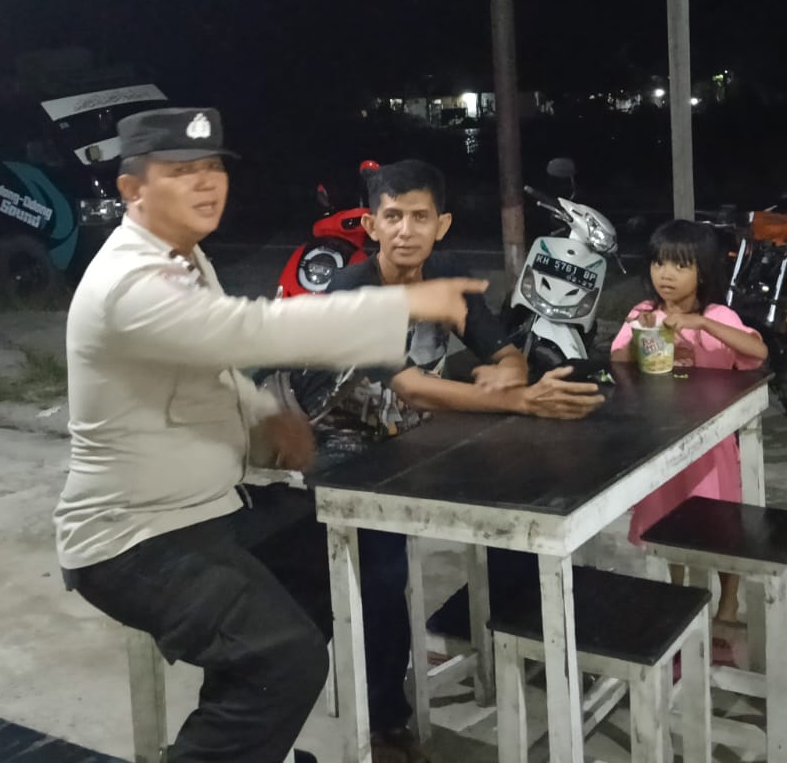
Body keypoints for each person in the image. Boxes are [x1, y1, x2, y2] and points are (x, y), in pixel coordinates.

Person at [53, 109, 487, 763]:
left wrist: (264, 420)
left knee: (338, 552)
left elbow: (214, 368)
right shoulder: (129, 280)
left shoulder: (183, 259)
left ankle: (253, 741)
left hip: (208, 509)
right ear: (132, 190)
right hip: (132, 536)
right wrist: (399, 304)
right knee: (286, 659)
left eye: (212, 167)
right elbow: (244, 332)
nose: (206, 183)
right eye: (181, 171)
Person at [325, 159, 604, 763]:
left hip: (415, 435)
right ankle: (384, 721)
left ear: (442, 224)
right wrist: (517, 398)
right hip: (347, 448)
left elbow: (502, 350)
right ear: (371, 226)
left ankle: (496, 635)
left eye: (419, 216)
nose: (406, 230)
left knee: (518, 504)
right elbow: (408, 387)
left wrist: (508, 374)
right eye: (392, 217)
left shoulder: (449, 274)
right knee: (383, 574)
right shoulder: (350, 290)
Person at [609, 219, 768, 665]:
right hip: (662, 442)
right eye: (660, 263)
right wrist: (641, 335)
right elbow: (618, 358)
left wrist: (701, 324)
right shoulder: (644, 312)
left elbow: (757, 353)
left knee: (722, 528)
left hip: (710, 445)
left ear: (704, 272)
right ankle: (676, 605)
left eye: (680, 266)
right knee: (667, 525)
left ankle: (728, 606)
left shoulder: (718, 316)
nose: (667, 274)